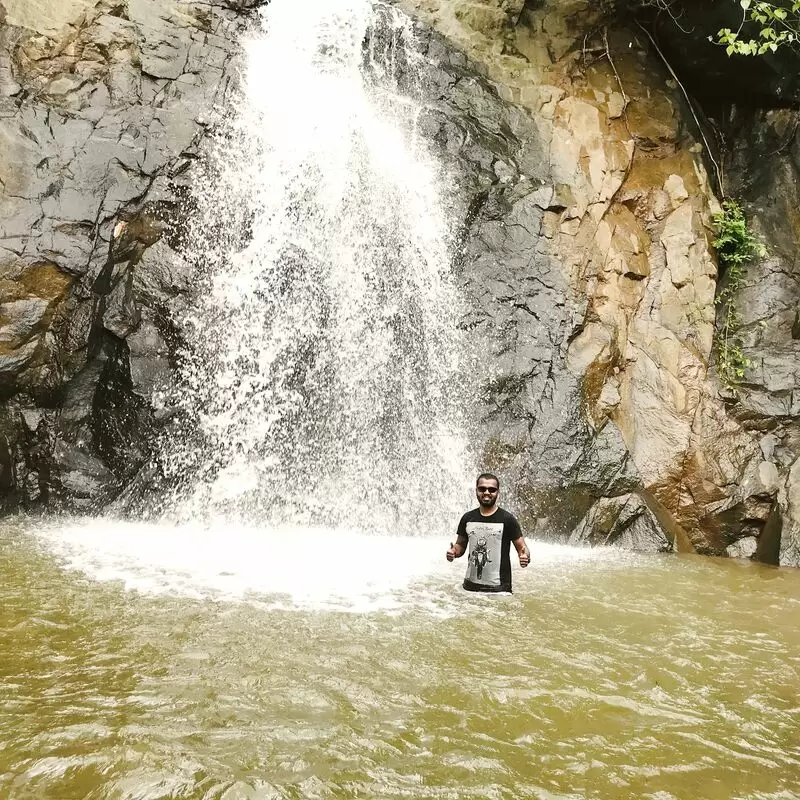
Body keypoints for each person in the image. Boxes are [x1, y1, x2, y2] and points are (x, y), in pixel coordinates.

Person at [446, 473, 529, 593]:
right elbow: (460, 545)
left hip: (499, 591)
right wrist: (453, 552)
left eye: (492, 489)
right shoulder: (468, 518)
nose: (486, 492)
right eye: (482, 489)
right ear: (476, 490)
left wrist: (525, 556)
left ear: (497, 492)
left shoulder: (508, 519)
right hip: (469, 588)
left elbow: (523, 548)